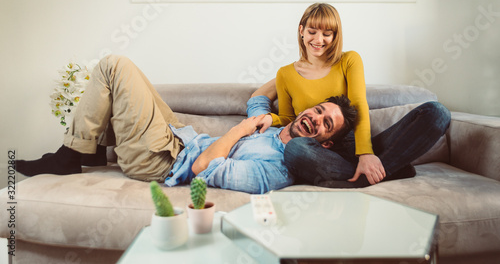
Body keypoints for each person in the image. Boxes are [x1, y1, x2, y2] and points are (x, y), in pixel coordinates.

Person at [15, 55, 358, 194]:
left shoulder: (278, 170)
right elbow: (258, 97)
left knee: (113, 66)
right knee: (124, 75)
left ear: (325, 143)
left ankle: (71, 155)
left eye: (327, 124)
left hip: (164, 160)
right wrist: (301, 69)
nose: (315, 119)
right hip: (177, 134)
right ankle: (84, 151)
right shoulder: (271, 125)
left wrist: (239, 129)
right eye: (318, 110)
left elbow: (202, 166)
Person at [253, 3, 451, 187]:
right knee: (295, 149)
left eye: (326, 34)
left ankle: (367, 174)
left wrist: (365, 153)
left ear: (335, 36)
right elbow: (290, 119)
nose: (318, 40)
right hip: (320, 150)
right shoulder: (285, 74)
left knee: (437, 112)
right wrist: (272, 118)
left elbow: (359, 105)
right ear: (301, 31)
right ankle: (384, 172)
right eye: (312, 32)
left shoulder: (349, 60)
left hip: (354, 142)